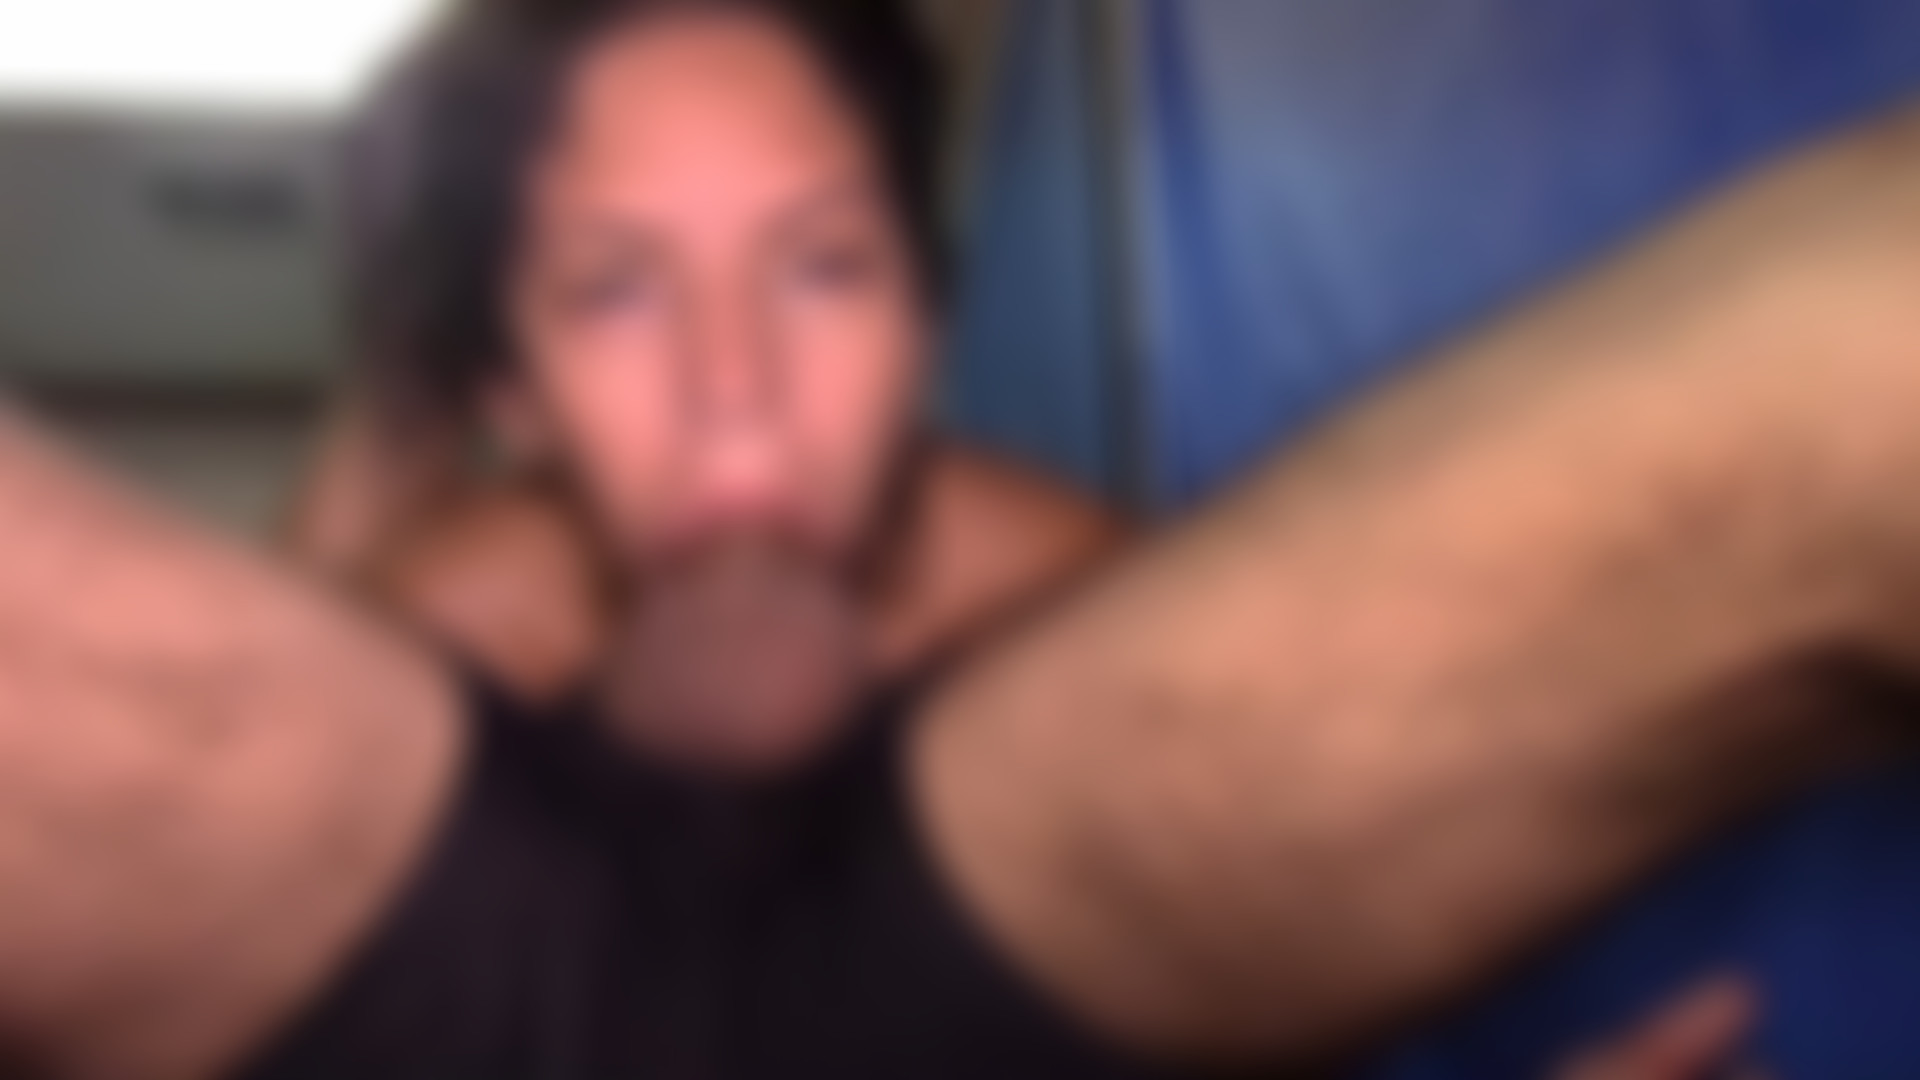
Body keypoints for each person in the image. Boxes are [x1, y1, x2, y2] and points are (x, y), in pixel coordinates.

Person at [1, 1, 1919, 1078]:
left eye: (824, 270)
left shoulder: (1060, 609)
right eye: (620, 292)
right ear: (520, 394)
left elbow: (1274, 917)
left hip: (948, 933)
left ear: (927, 328)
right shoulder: (442, 632)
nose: (738, 391)